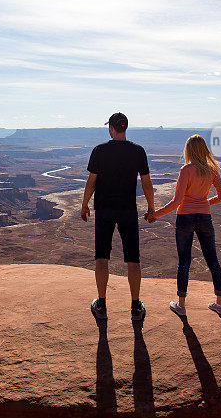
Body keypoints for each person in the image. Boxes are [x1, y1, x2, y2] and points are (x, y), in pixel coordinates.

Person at [81, 112, 155, 322]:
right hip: (128, 210)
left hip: (104, 209)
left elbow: (91, 182)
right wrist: (152, 207)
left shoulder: (99, 150)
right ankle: (135, 305)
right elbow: (147, 183)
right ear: (125, 128)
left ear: (112, 128)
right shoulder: (138, 151)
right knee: (133, 258)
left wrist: (84, 204)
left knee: (102, 257)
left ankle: (102, 304)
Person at [146, 134, 221, 317]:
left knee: (185, 261)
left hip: (185, 218)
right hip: (204, 217)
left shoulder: (186, 170)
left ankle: (181, 305)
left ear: (189, 150)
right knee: (212, 259)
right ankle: (220, 303)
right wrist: (205, 203)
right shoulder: (212, 170)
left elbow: (176, 202)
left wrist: (155, 215)